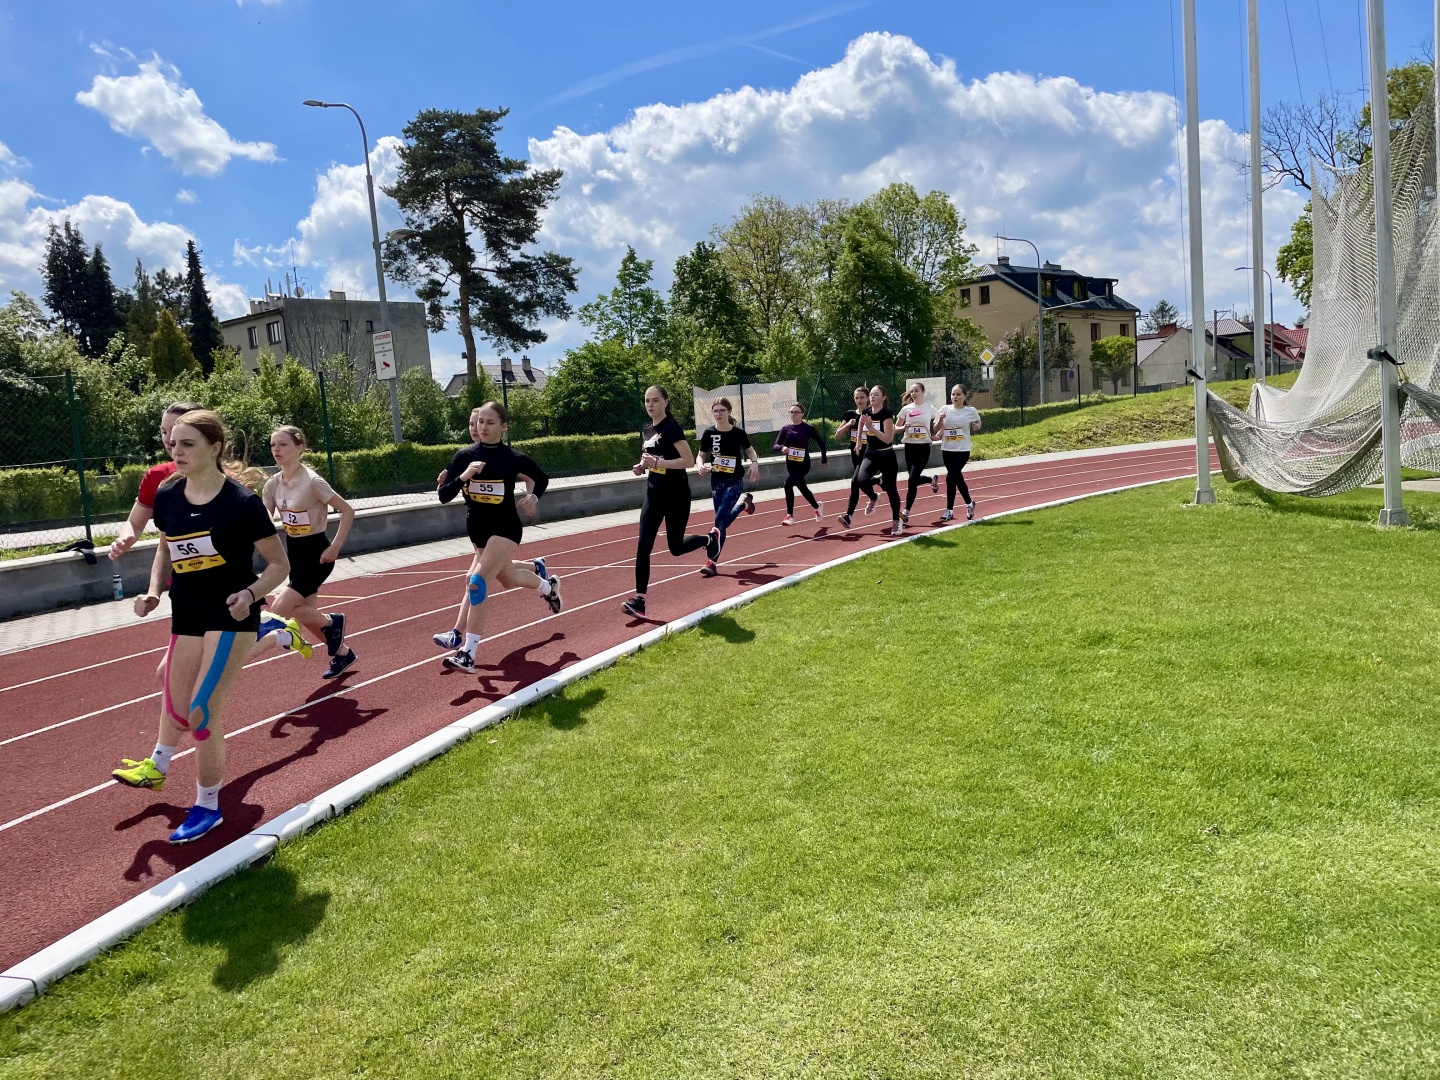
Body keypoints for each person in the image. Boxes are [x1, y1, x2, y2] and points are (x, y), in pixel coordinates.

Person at [111, 410, 289, 845]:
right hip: (186, 615)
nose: (177, 451)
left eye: (188, 443)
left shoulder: (241, 503)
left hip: (231, 615)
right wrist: (153, 591)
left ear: (215, 448)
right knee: (175, 711)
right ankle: (158, 766)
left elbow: (279, 564)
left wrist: (250, 594)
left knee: (202, 714)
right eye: (173, 443)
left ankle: (208, 805)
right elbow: (167, 549)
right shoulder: (169, 496)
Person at [433, 403, 561, 673]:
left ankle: (468, 653)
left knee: (476, 582)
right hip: (477, 531)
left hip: (505, 528)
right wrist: (464, 476)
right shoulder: (464, 456)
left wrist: (533, 497)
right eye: (480, 421)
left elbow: (541, 478)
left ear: (504, 426)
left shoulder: (512, 458)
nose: (483, 427)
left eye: (490, 422)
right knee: (509, 578)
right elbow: (444, 495)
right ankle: (547, 586)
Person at [260, 426, 359, 679]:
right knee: (305, 614)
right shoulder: (272, 484)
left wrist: (335, 546)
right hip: (294, 552)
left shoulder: (313, 482)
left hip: (318, 553)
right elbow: (263, 521)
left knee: (281, 607)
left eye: (282, 444)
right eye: (273, 445)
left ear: (299, 448)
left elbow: (347, 511)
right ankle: (343, 653)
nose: (276, 450)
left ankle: (333, 622)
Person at [621, 385, 718, 618]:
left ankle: (709, 539)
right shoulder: (647, 429)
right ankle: (640, 600)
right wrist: (642, 466)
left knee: (675, 548)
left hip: (676, 495)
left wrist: (657, 463)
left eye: (655, 400)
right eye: (647, 400)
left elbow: (687, 460)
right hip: (654, 494)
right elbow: (650, 455)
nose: (650, 404)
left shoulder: (672, 427)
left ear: (665, 401)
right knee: (643, 546)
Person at [108, 401, 204, 561]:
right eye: (163, 432)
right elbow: (135, 524)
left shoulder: (231, 481)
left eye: (174, 430)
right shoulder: (157, 476)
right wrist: (125, 538)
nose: (167, 439)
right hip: (180, 573)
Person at [695, 397, 759, 577]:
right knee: (721, 523)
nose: (719, 414)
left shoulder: (738, 432)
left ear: (729, 412)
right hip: (717, 481)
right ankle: (743, 505)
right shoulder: (709, 432)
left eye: (722, 410)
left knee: (719, 521)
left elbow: (750, 450)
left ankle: (711, 561)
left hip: (734, 480)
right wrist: (700, 465)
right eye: (715, 411)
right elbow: (700, 455)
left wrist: (754, 463)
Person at [837, 385, 903, 536]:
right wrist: (859, 441)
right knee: (860, 480)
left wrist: (871, 428)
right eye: (871, 394)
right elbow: (861, 423)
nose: (872, 397)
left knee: (891, 490)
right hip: (870, 454)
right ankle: (874, 497)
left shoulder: (886, 414)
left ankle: (896, 520)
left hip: (886, 455)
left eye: (876, 395)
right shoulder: (866, 412)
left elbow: (887, 439)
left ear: (883, 398)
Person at [772, 403, 827, 525]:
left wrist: (824, 459)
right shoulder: (785, 429)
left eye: (796, 412)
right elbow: (775, 445)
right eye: (791, 412)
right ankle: (817, 506)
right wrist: (782, 447)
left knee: (788, 484)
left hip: (804, 463)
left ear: (802, 414)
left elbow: (821, 443)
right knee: (802, 488)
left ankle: (789, 516)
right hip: (791, 464)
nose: (793, 414)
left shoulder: (808, 428)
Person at [934, 383, 982, 521]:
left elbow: (978, 424)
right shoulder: (944, 409)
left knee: (950, 477)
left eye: (958, 394)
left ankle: (949, 510)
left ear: (964, 396)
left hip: (962, 450)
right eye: (953, 394)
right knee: (957, 479)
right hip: (947, 449)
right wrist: (940, 420)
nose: (955, 396)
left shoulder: (970, 411)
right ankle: (970, 504)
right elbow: (936, 428)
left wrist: (976, 426)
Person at [896, 382, 939, 524]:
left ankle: (906, 511)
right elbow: (896, 426)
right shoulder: (906, 409)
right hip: (909, 447)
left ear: (923, 392)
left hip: (923, 447)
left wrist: (937, 435)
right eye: (912, 391)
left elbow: (941, 421)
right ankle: (931, 480)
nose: (913, 393)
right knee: (913, 480)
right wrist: (903, 427)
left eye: (916, 391)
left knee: (911, 479)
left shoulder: (929, 408)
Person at [835, 386, 871, 473]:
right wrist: (848, 424)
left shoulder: (872, 413)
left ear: (867, 398)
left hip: (869, 450)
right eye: (856, 398)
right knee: (860, 476)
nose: (859, 400)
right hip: (855, 451)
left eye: (862, 397)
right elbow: (837, 435)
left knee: (861, 476)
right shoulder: (850, 414)